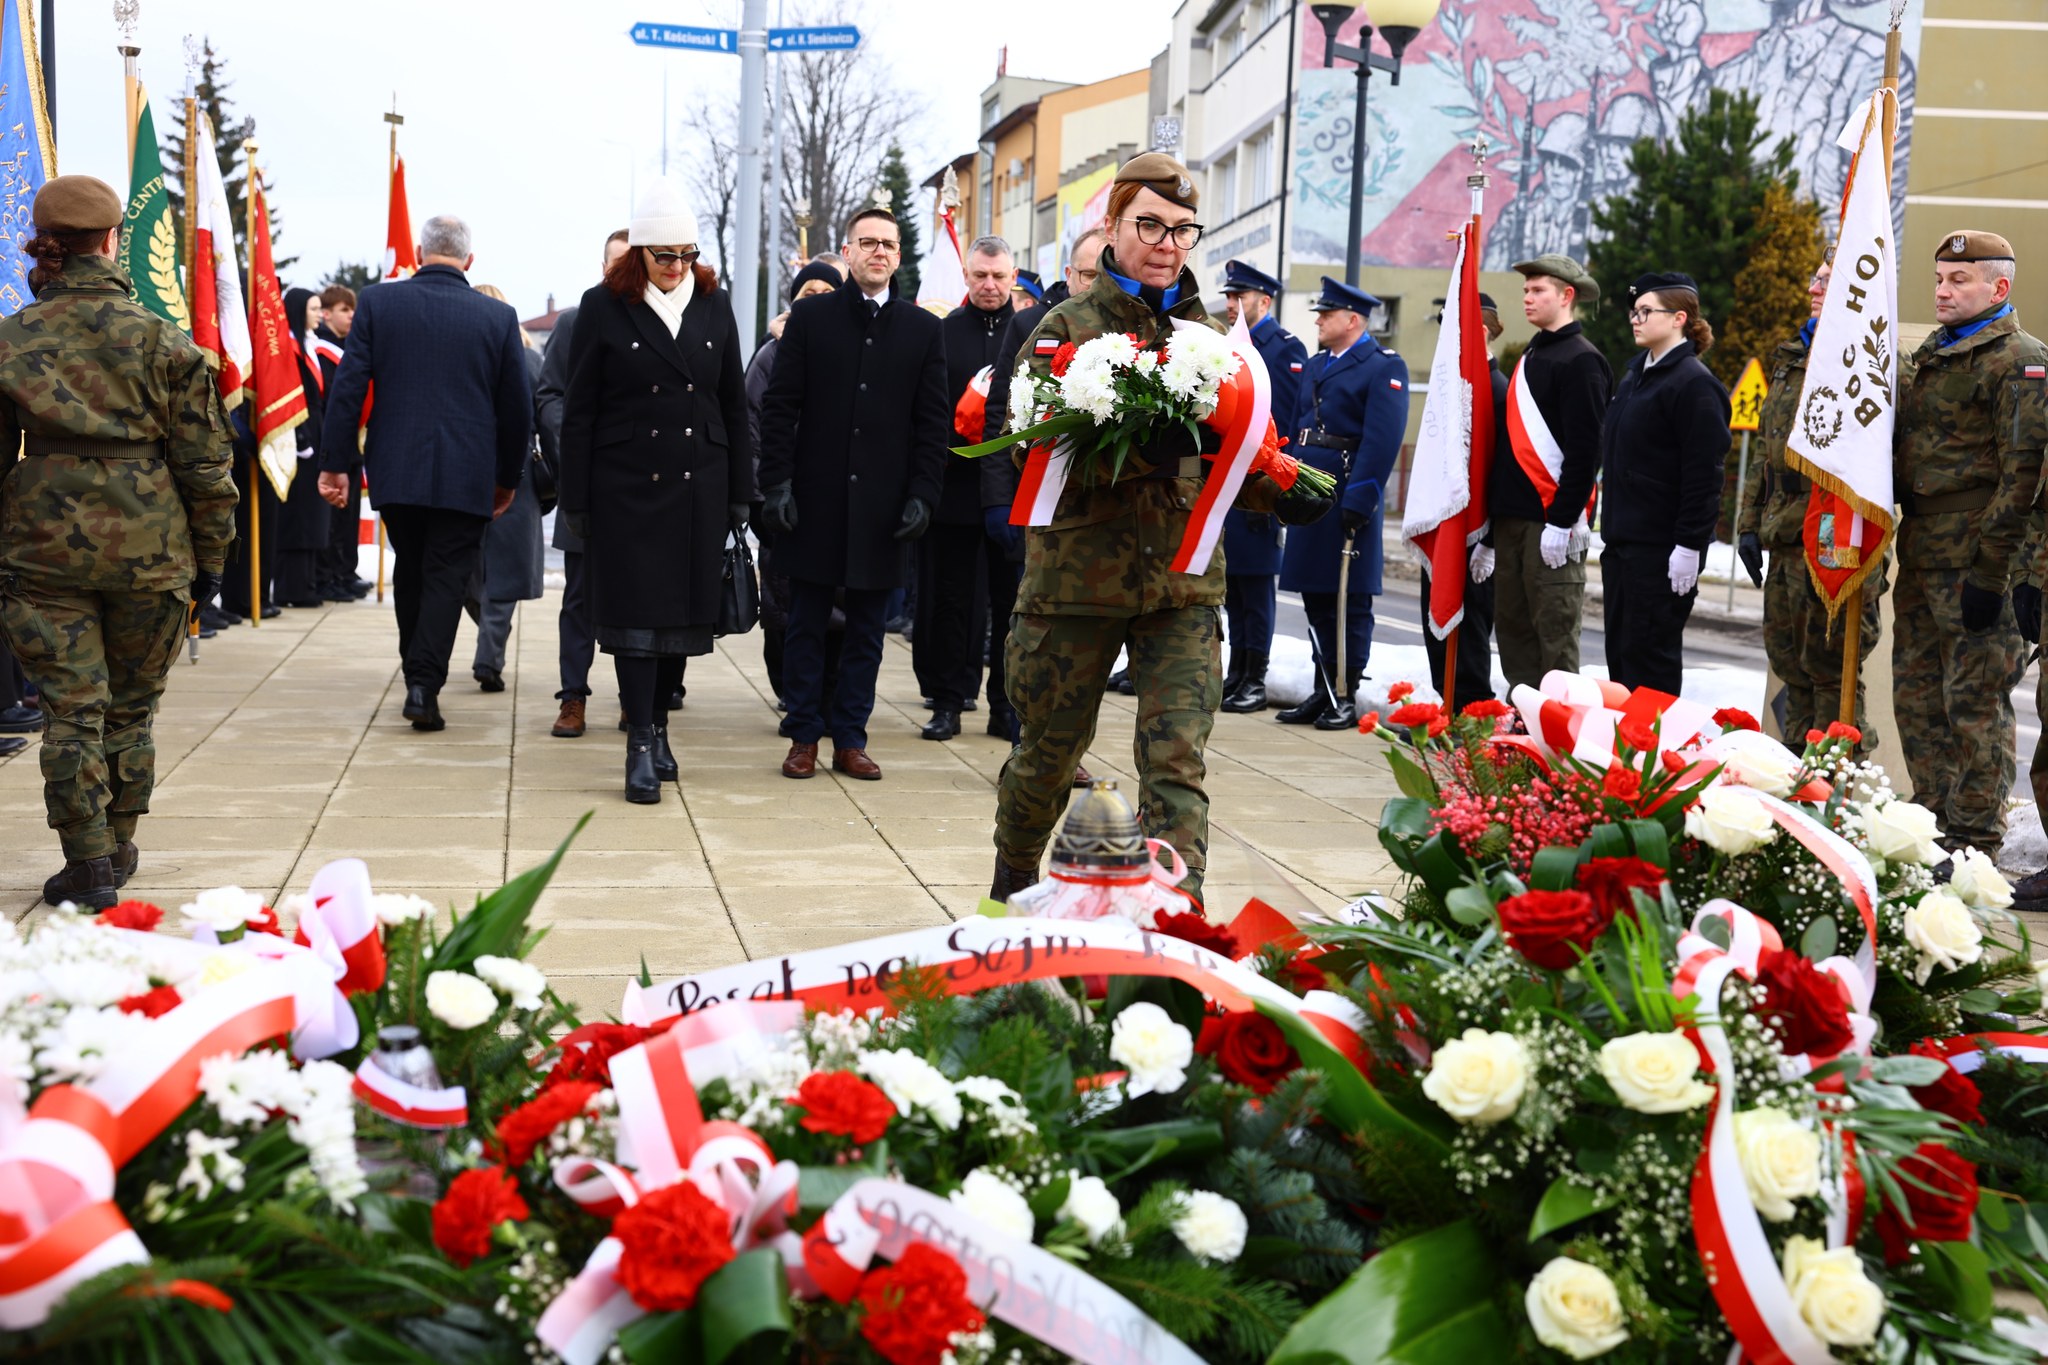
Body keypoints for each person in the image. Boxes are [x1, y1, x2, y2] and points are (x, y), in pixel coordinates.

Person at [990, 152, 1333, 902]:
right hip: (1076, 589)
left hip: (1181, 588)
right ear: (1112, 226)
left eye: (1182, 229)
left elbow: (1235, 458)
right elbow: (1026, 450)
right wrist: (1128, 451)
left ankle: (1177, 926)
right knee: (1047, 759)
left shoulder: (1214, 341)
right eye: (1149, 223)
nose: (1167, 242)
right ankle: (1007, 890)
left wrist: (1284, 488)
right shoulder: (1064, 330)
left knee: (1176, 766)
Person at [0, 175, 237, 907]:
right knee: (131, 708)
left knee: (73, 707)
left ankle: (89, 860)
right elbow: (205, 469)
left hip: (39, 549)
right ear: (110, 241)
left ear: (46, 243)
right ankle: (119, 840)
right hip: (151, 549)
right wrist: (210, 563)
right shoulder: (167, 342)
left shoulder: (10, 341)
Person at [559, 182, 754, 803]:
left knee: (683, 625)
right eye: (663, 255)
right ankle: (640, 739)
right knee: (637, 624)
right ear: (637, 254)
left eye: (686, 255)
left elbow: (730, 401)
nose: (676, 268)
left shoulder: (713, 306)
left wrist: (741, 492)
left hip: (700, 486)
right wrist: (577, 499)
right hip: (626, 490)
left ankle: (661, 725)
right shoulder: (602, 307)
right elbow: (580, 411)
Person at [318, 214, 532, 733]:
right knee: (446, 578)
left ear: (418, 252)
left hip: (398, 469)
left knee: (411, 572)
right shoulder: (498, 318)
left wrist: (334, 465)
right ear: (469, 260)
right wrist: (507, 479)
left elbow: (349, 387)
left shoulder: (379, 303)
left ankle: (419, 676)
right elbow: (516, 410)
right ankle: (424, 685)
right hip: (467, 474)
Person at [757, 205, 948, 781]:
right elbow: (780, 406)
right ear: (848, 252)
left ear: (898, 255)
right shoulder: (812, 318)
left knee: (867, 629)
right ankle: (803, 737)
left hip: (882, 507)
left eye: (888, 244)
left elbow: (931, 422)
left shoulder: (922, 329)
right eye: (868, 243)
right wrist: (777, 484)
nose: (879, 252)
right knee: (806, 623)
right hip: (813, 500)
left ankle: (851, 737)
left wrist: (923, 494)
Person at [1891, 231, 2046, 865]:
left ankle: (1976, 842)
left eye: (1960, 280)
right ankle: (1933, 828)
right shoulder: (1933, 353)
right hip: (1923, 548)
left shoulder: (2020, 360)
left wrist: (1994, 572)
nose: (1943, 290)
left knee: (1974, 704)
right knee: (1917, 696)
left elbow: (2025, 477)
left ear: (1998, 287)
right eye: (1939, 279)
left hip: (1980, 557)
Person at [1737, 255, 1886, 745]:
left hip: (1831, 531)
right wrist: (1748, 523)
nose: (1812, 288)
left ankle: (1835, 784)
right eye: (1815, 278)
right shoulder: (1793, 354)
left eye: (1826, 280)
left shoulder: (1865, 358)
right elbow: (1767, 451)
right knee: (1790, 661)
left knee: (1831, 667)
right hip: (1784, 532)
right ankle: (1797, 777)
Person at [981, 228, 1101, 783]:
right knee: (1032, 634)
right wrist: (999, 503)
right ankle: (1023, 738)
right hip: (1038, 506)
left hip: (1100, 516)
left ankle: (1067, 751)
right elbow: (1002, 415)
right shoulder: (1032, 326)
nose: (1092, 284)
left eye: (1103, 274)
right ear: (1069, 276)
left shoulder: (1133, 333)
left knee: (1083, 643)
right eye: (1085, 274)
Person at [1274, 277, 1409, 731]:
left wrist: (1363, 497)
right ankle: (1322, 689)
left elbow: (1382, 438)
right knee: (1315, 594)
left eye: (1327, 314)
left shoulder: (1381, 365)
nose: (1318, 320)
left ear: (1353, 320)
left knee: (1348, 600)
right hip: (1312, 489)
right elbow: (1297, 426)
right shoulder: (1315, 365)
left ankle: (1345, 693)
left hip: (1347, 492)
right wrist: (1288, 480)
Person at [1478, 253, 1609, 691]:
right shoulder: (1535, 353)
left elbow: (1585, 450)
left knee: (1554, 636)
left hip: (1550, 522)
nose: (1527, 299)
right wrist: (1492, 534)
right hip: (1515, 519)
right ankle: (1523, 733)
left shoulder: (1581, 360)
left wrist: (1563, 517)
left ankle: (1559, 743)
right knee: (1514, 636)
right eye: (1526, 291)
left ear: (1566, 296)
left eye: (1538, 291)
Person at [1598, 272, 1730, 694]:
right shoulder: (1635, 377)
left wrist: (1690, 545)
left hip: (1660, 553)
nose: (1635, 320)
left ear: (1678, 318)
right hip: (1623, 547)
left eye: (1645, 311)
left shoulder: (1693, 384)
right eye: (1632, 312)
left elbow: (1704, 473)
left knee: (1648, 667)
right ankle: (1626, 760)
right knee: (1621, 662)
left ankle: (1653, 758)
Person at [916, 235, 1016, 742]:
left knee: (1011, 603)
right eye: (980, 276)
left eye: (999, 276)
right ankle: (948, 702)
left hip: (1011, 492)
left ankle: (1006, 705)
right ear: (967, 277)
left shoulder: (1029, 332)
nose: (990, 286)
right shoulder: (943, 333)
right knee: (951, 601)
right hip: (954, 489)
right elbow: (927, 411)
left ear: (1013, 277)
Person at [534, 229, 630, 738]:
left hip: (640, 492)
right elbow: (549, 396)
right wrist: (576, 441)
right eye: (614, 264)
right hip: (586, 489)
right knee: (578, 601)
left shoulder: (659, 323)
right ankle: (573, 697)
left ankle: (635, 701)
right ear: (602, 266)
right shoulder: (574, 323)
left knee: (635, 599)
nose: (620, 272)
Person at [746, 261, 845, 706]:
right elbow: (751, 429)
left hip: (838, 503)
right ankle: (790, 692)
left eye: (829, 290)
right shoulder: (770, 357)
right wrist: (763, 495)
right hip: (782, 502)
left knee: (838, 610)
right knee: (785, 606)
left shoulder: (852, 353)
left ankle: (829, 694)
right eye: (810, 291)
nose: (820, 297)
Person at [1218, 259, 1308, 715]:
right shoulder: (1231, 344)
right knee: (1233, 589)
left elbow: (1287, 423)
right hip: (1230, 479)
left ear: (1264, 301)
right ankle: (1237, 672)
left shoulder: (1282, 348)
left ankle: (1256, 675)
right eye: (1229, 298)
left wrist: (1273, 487)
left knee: (1256, 589)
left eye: (1240, 297)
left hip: (1262, 482)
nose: (1231, 305)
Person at [1422, 293, 1507, 710]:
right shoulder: (1451, 388)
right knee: (1437, 619)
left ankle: (1471, 713)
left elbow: (1500, 468)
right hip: (1442, 523)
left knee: (1470, 625)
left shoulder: (1496, 389)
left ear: (1482, 333)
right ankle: (1447, 703)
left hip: (1476, 529)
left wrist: (1489, 539)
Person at [466, 282, 546, 694]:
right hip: (518, 476)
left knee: (470, 570)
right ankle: (489, 653)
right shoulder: (531, 361)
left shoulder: (468, 360)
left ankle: (488, 652)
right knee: (504, 576)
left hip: (471, 472)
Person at [274, 288, 331, 610]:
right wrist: (301, 439)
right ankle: (290, 587)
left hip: (317, 430)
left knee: (314, 517)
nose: (319, 314)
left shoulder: (310, 346)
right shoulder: (290, 349)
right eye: (313, 308)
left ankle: (307, 582)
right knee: (298, 517)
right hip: (301, 436)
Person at [312, 284, 369, 603]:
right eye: (344, 310)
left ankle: (346, 570)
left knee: (348, 514)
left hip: (352, 442)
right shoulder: (322, 351)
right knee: (332, 514)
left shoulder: (349, 349)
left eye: (352, 309)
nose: (351, 316)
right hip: (331, 443)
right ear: (326, 313)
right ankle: (329, 574)